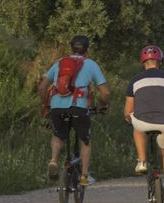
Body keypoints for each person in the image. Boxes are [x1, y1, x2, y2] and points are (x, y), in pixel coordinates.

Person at [38, 34, 111, 186]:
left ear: (71, 47)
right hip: (79, 107)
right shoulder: (91, 64)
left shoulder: (59, 63)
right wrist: (103, 105)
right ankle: (84, 175)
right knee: (85, 140)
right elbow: (105, 92)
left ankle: (53, 160)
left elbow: (42, 87)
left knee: (58, 135)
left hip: (57, 106)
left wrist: (47, 103)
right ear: (87, 49)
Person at [125, 44, 164, 203]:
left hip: (143, 123)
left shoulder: (135, 80)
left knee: (136, 123)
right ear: (161, 61)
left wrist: (128, 119)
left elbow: (128, 110)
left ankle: (142, 161)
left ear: (143, 62)